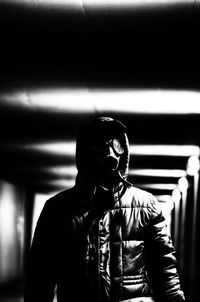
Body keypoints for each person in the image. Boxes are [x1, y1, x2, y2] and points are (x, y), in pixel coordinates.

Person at [24, 116, 185, 302]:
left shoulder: (146, 205)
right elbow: (40, 279)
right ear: (85, 152)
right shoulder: (58, 209)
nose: (109, 152)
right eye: (99, 144)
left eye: (116, 144)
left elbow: (165, 273)